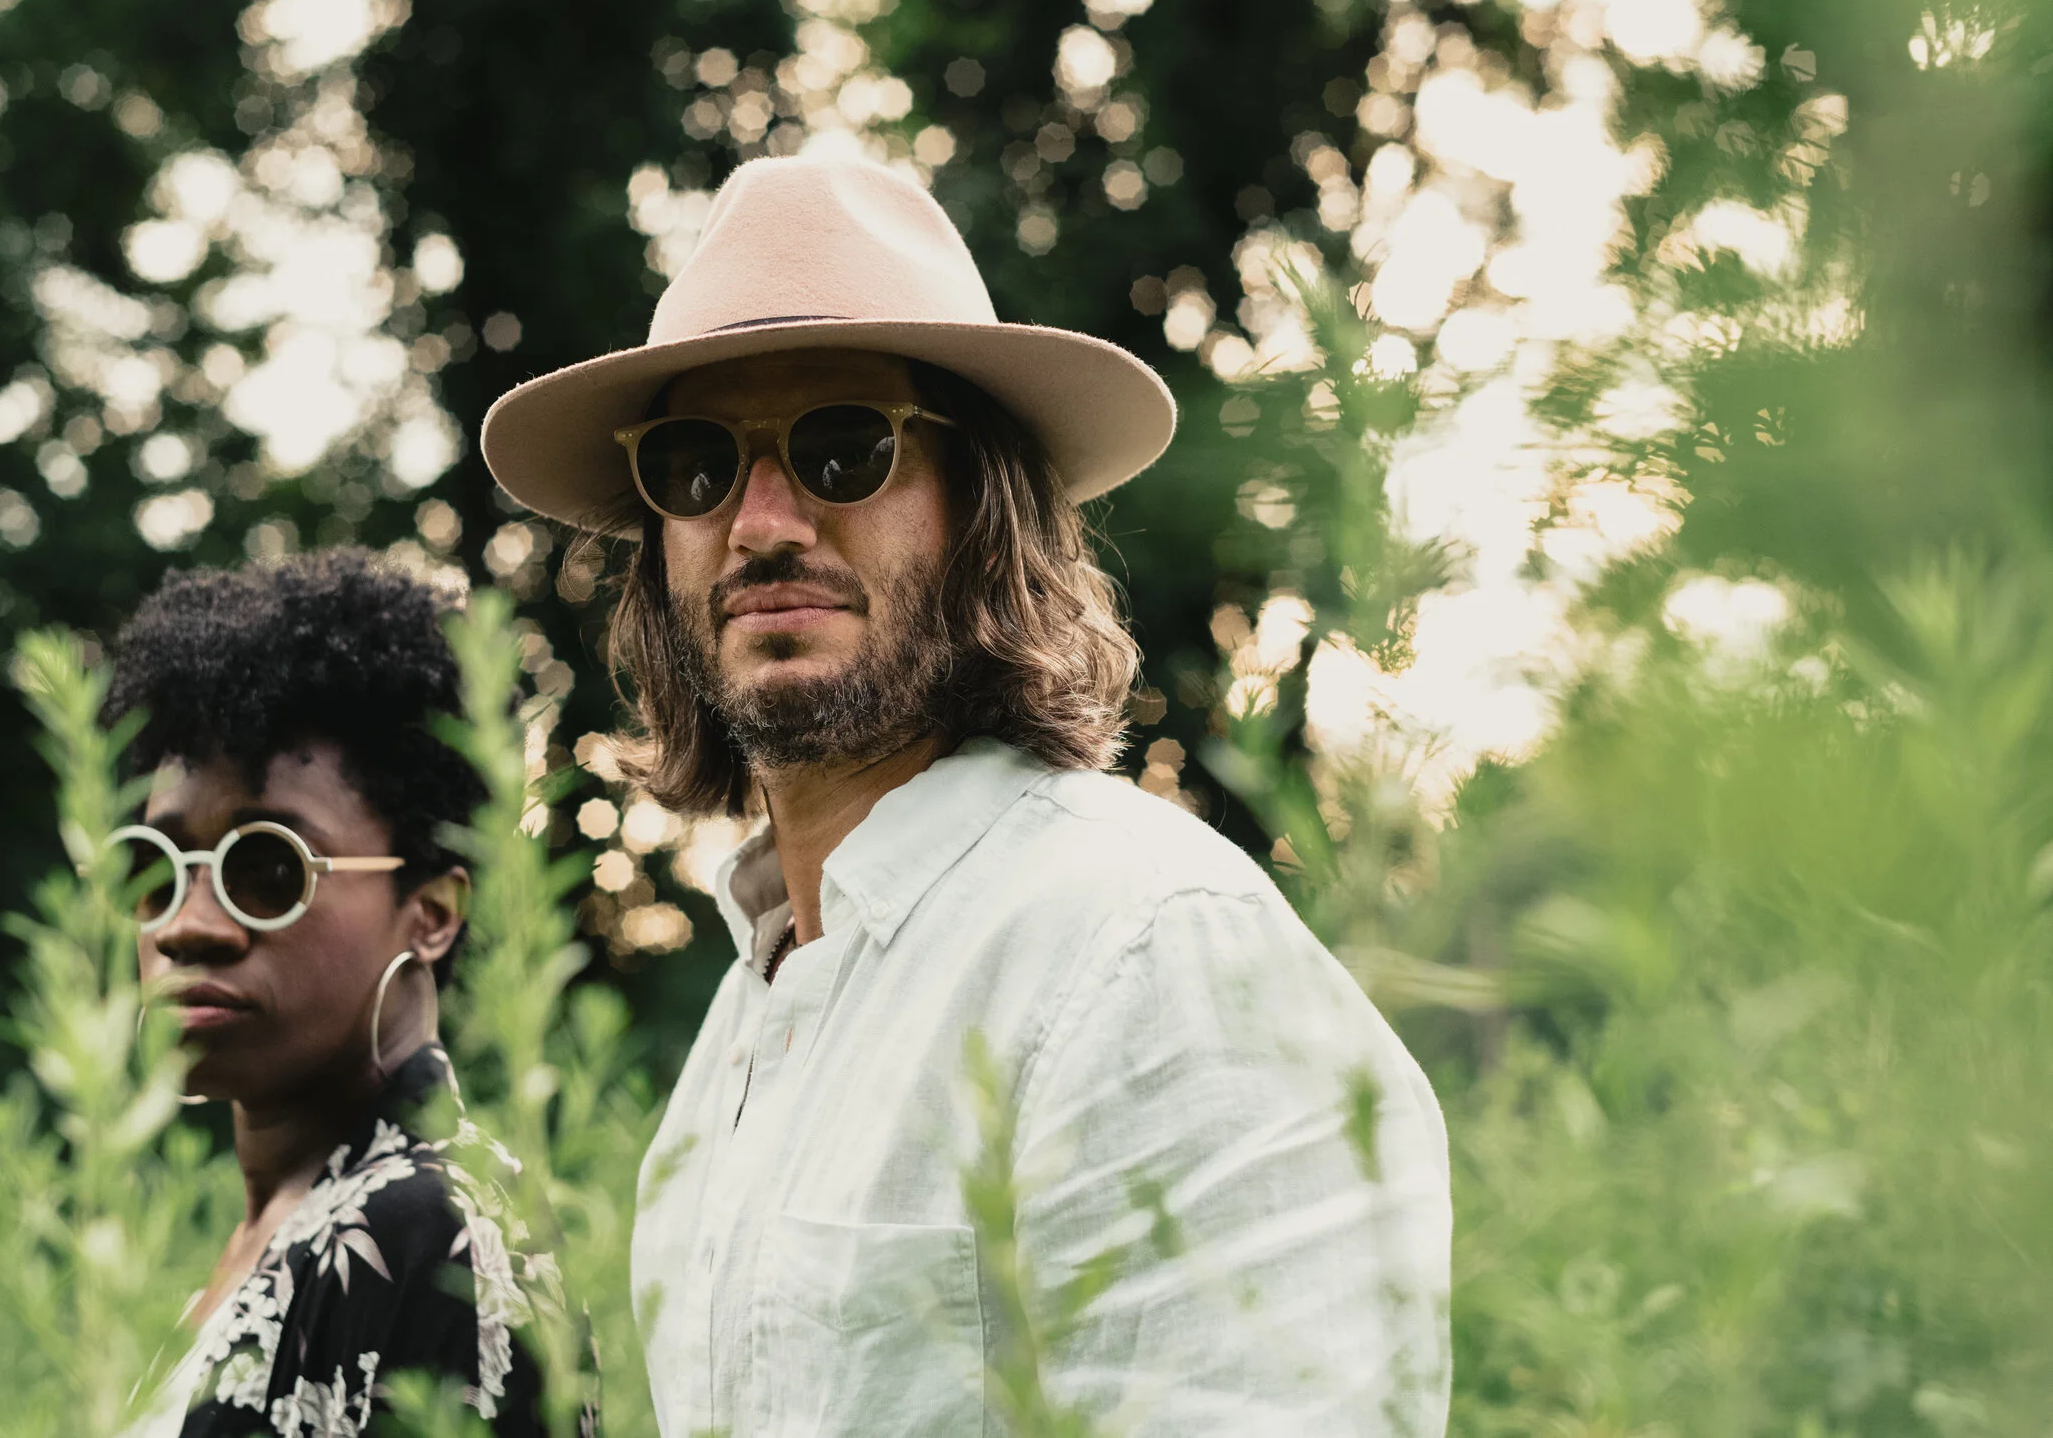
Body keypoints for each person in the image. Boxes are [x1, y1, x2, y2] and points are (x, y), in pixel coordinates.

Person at [480, 155, 1450, 1435]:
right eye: (695, 464)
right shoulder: (743, 1025)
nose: (761, 520)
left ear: (981, 502)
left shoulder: (1149, 943)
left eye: (841, 446)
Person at [100, 550, 548, 1438]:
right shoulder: (289, 1223)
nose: (187, 925)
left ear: (430, 912)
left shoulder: (427, 1228)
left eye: (266, 867)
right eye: (154, 869)